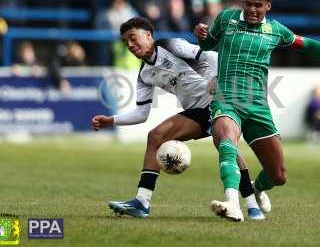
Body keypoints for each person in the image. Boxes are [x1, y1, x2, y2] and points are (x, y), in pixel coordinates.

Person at [194, 0, 320, 222]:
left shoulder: (276, 30)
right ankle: (232, 203)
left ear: (268, 6)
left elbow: (306, 44)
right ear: (242, 2)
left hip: (257, 106)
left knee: (278, 175)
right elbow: (208, 44)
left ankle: (256, 189)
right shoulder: (226, 19)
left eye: (258, 5)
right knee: (226, 141)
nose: (252, 9)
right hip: (227, 98)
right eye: (248, 4)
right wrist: (202, 36)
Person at [90, 17, 268, 220]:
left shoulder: (170, 45)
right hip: (198, 112)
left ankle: (252, 204)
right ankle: (142, 201)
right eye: (126, 42)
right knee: (157, 136)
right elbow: (141, 113)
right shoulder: (145, 74)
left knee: (225, 146)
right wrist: (111, 120)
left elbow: (210, 56)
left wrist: (213, 78)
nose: (130, 45)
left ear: (148, 35)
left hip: (219, 101)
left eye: (133, 37)